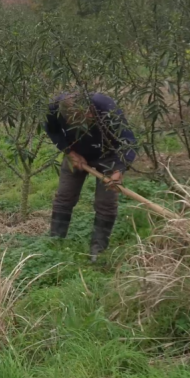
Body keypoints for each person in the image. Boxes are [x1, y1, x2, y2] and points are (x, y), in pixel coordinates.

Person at [44, 92, 137, 261]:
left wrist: (119, 169)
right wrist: (69, 152)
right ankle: (55, 244)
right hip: (77, 154)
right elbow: (52, 130)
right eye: (75, 121)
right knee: (64, 197)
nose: (85, 119)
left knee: (105, 203)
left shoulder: (106, 107)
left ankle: (98, 251)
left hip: (109, 156)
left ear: (90, 108)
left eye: (86, 116)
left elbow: (128, 141)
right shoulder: (54, 108)